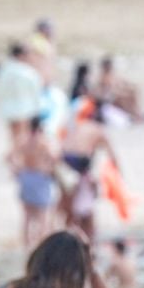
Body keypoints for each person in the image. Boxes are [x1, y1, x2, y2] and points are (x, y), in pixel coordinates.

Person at [59, 93, 120, 241]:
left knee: (70, 204)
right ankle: (87, 240)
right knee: (85, 205)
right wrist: (119, 176)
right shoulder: (98, 130)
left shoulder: (80, 125)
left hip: (64, 160)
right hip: (79, 164)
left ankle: (70, 234)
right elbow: (112, 156)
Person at [11, 118, 61, 249]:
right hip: (40, 176)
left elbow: (10, 156)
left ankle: (26, 245)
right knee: (42, 214)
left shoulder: (23, 141)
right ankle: (41, 244)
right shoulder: (43, 142)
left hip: (27, 175)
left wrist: (17, 170)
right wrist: (49, 168)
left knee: (27, 216)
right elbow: (55, 157)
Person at [0, 42, 45, 156]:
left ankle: (14, 154)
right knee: (22, 135)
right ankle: (13, 155)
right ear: (21, 55)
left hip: (7, 106)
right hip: (25, 108)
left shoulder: (4, 70)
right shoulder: (28, 72)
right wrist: (37, 109)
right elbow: (36, 92)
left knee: (13, 134)